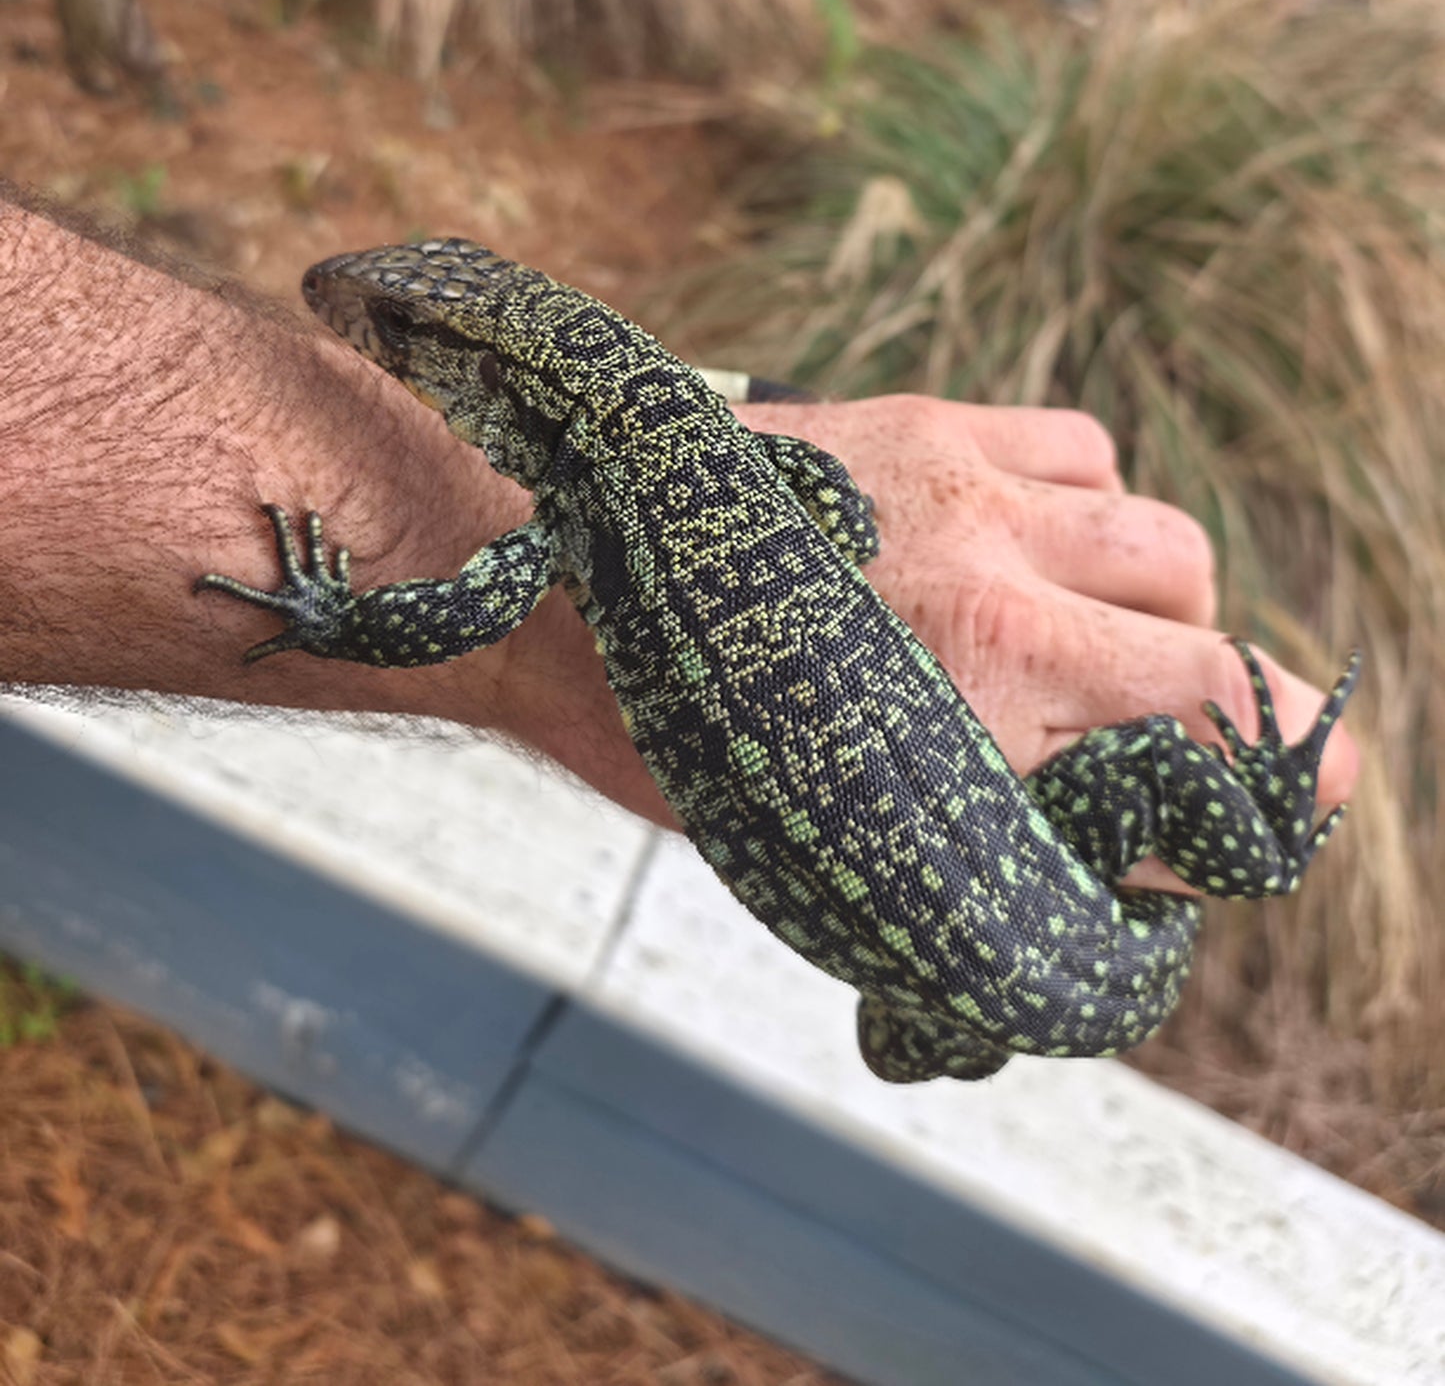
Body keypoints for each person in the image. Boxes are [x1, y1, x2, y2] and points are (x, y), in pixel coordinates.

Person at [0, 195, 1356, 890]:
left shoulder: (573, 519)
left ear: (510, 384)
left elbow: (462, 609)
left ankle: (1269, 845)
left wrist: (333, 607)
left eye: (407, 334)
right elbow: (833, 514)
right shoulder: (605, 484)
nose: (350, 306)